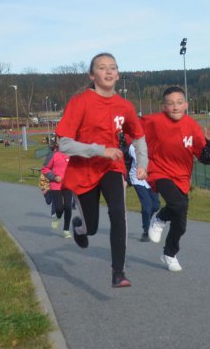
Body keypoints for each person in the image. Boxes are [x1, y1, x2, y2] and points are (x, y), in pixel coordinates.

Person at [55, 52, 148, 288]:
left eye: (113, 67)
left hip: (111, 167)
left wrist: (143, 165)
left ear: (117, 74)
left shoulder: (124, 106)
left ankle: (118, 272)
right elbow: (64, 144)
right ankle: (80, 228)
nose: (108, 71)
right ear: (92, 75)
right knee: (92, 227)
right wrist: (99, 150)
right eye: (102, 67)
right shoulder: (80, 102)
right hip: (84, 169)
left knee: (119, 213)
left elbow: (139, 136)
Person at [142, 86, 210, 272]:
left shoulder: (192, 125)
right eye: (170, 104)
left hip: (182, 177)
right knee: (177, 204)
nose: (175, 107)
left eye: (179, 103)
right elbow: (129, 128)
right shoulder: (154, 121)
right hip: (159, 171)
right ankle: (159, 218)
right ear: (163, 107)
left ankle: (169, 254)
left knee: (181, 223)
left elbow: (205, 158)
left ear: (186, 104)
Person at [128, 143, 160, 242]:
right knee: (147, 206)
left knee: (155, 205)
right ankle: (146, 231)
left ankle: (148, 219)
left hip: (151, 178)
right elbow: (126, 160)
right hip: (137, 178)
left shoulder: (154, 143)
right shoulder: (132, 147)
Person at [42, 146, 74, 238]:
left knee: (68, 206)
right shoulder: (53, 154)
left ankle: (66, 230)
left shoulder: (72, 154)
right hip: (56, 185)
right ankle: (57, 216)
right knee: (59, 208)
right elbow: (45, 169)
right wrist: (54, 177)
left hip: (68, 184)